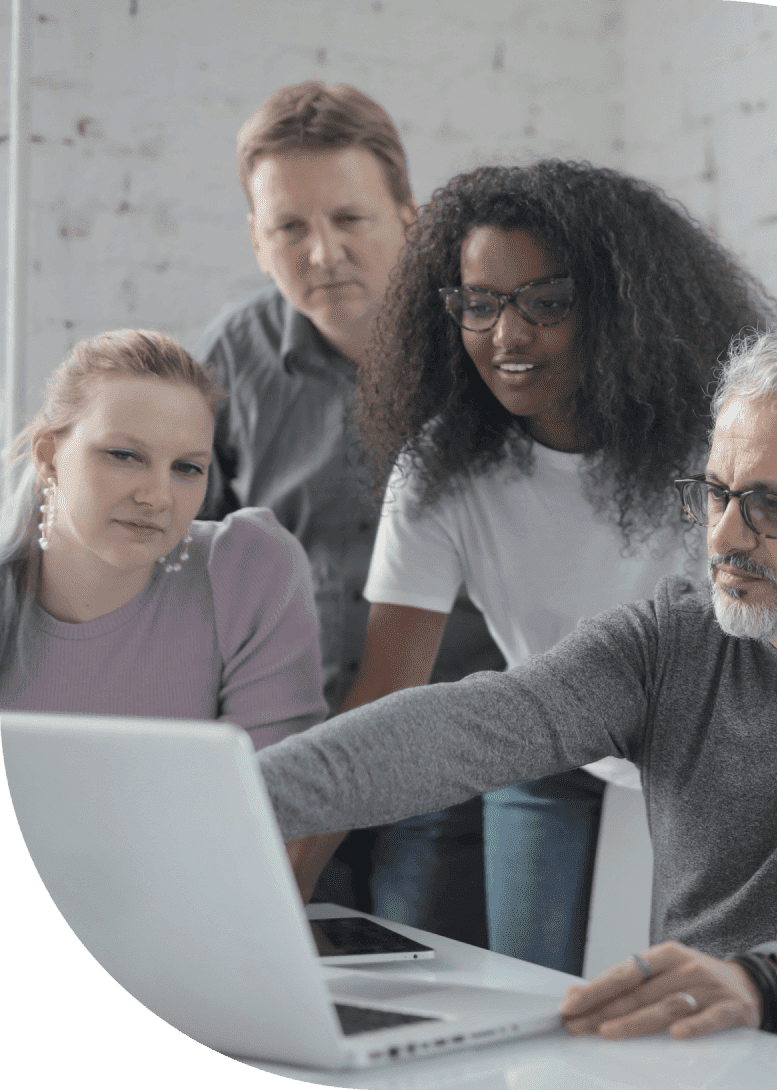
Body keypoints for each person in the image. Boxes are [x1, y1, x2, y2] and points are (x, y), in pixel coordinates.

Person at [262, 330, 777, 1077]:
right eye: (716, 493)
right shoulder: (671, 640)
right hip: (713, 1054)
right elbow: (469, 726)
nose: (723, 535)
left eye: (769, 505)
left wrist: (765, 987)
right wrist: (238, 796)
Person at [318, 158, 777, 975]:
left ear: (618, 310)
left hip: (707, 764)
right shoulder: (440, 472)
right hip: (546, 757)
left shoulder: (710, 444)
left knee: (693, 1018)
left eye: (547, 303)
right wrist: (283, 887)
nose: (507, 335)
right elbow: (385, 696)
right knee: (541, 1006)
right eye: (481, 304)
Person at [195, 81, 504, 941]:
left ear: (408, 218)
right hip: (285, 755)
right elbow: (187, 565)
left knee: (432, 1010)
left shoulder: (486, 350)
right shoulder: (229, 359)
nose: (321, 253)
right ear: (258, 241)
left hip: (446, 766)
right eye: (289, 227)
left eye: (349, 219)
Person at [0, 329, 325, 749]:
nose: (157, 497)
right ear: (49, 456)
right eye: (124, 456)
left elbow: (274, 800)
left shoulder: (250, 571)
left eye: (187, 467)